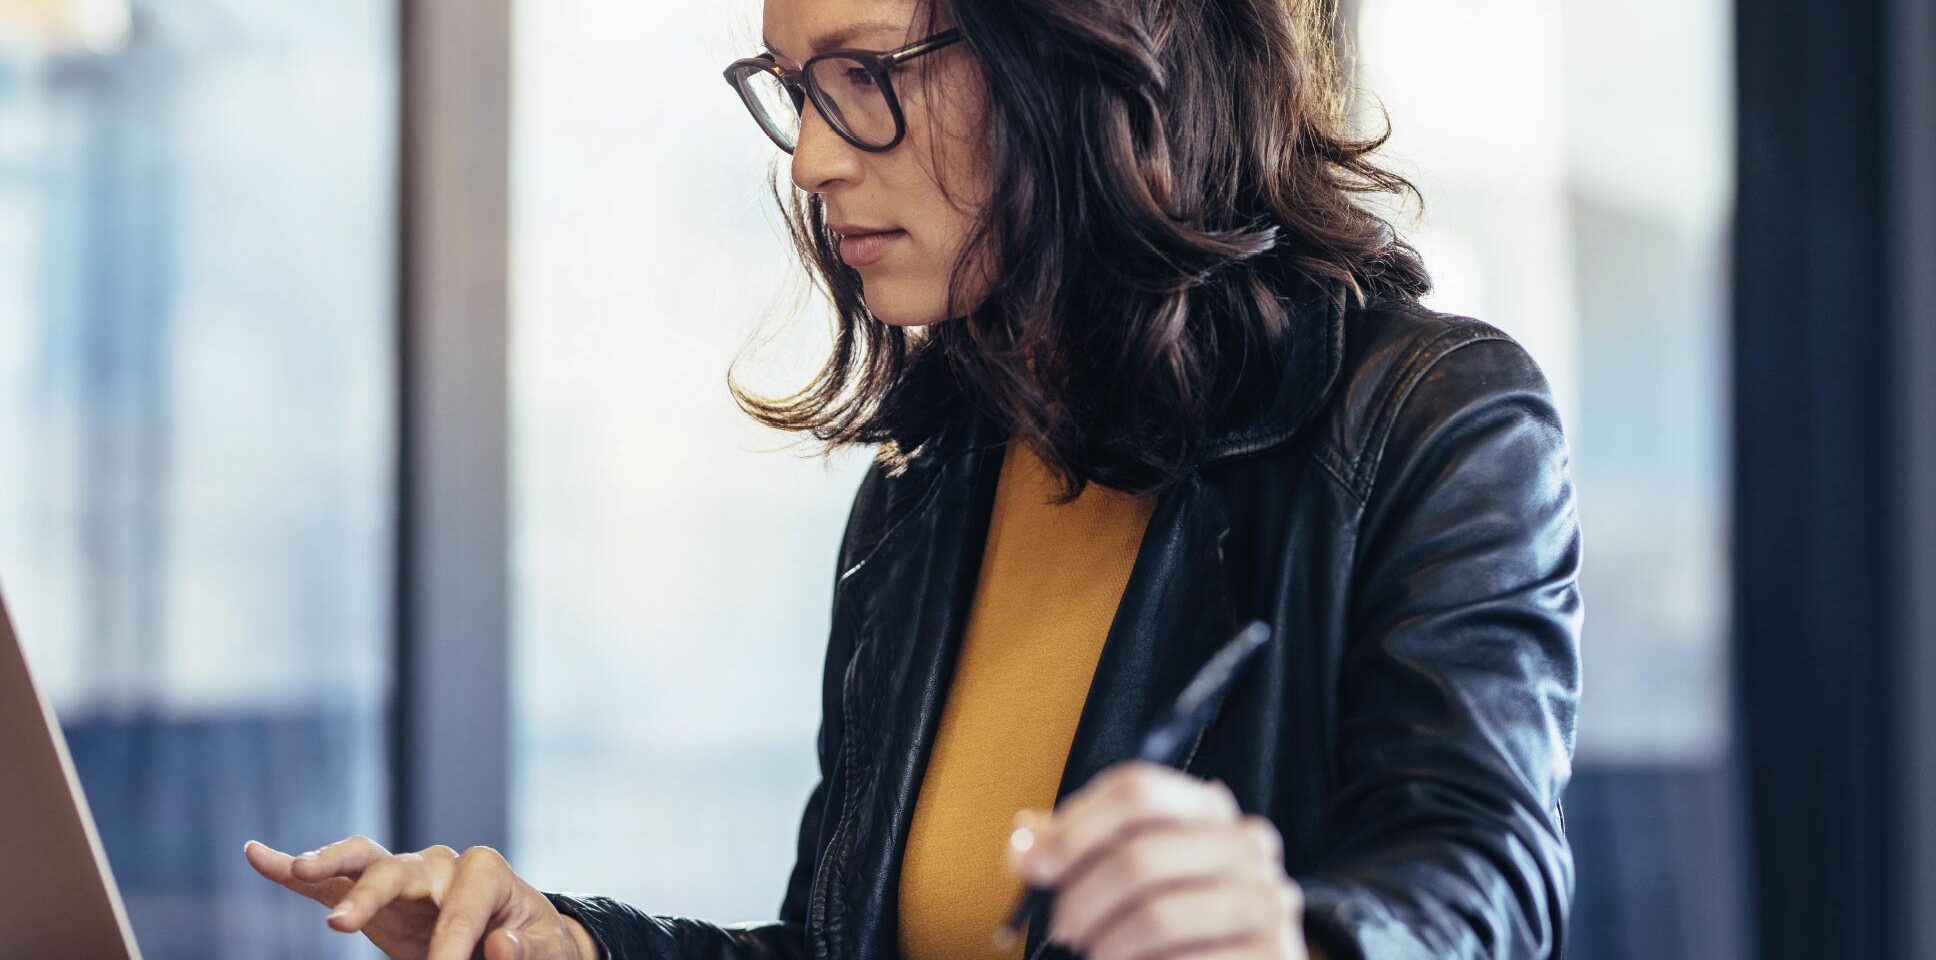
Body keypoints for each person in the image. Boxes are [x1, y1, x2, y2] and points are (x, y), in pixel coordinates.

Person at [242, 0, 1579, 956]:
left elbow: (1487, 888)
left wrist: (1297, 942)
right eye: (794, 88)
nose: (814, 157)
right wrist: (563, 945)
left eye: (866, 71)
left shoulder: (1432, 418)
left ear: (1079, 52)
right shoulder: (932, 483)